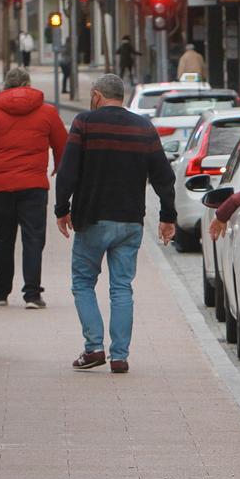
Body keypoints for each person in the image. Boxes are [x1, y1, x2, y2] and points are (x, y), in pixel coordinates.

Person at [55, 74, 177, 373]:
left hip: (92, 218)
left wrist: (61, 208)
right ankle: (120, 355)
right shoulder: (144, 128)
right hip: (130, 221)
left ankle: (94, 348)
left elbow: (67, 170)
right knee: (122, 287)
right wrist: (167, 216)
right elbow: (163, 176)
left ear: (96, 95)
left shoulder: (84, 124)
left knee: (84, 283)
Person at [0, 68, 68, 309]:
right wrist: (59, 168)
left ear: (6, 85)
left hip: (2, 186)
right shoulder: (48, 112)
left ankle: (1, 291)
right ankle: (32, 294)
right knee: (33, 239)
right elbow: (63, 144)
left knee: (4, 238)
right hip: (34, 186)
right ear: (28, 84)